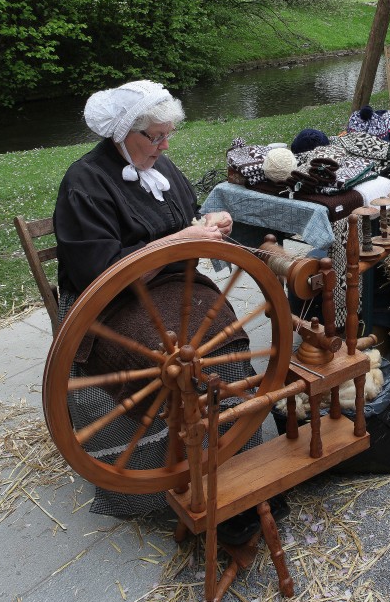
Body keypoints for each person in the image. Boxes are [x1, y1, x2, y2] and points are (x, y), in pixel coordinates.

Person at [54, 80, 286, 536]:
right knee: (178, 364)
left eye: (167, 135)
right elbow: (100, 276)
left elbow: (184, 222)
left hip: (173, 288)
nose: (164, 146)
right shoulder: (85, 183)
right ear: (123, 133)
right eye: (155, 137)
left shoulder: (160, 168)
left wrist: (208, 224)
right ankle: (170, 479)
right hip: (111, 304)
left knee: (224, 344)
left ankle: (233, 466)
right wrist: (180, 240)